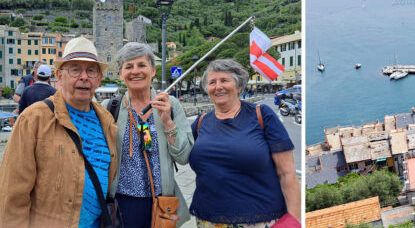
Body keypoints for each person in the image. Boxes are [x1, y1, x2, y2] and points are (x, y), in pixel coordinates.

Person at [0, 37, 118, 228]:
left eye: (91, 70)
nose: (84, 77)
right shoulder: (33, 119)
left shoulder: (107, 121)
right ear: (59, 77)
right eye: (75, 69)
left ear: (99, 78)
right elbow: (12, 195)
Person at [188, 59, 301, 227]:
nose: (218, 86)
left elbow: (287, 174)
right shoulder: (200, 122)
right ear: (207, 89)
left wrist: (293, 221)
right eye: (212, 82)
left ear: (239, 87)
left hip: (259, 220)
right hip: (209, 220)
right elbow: (178, 151)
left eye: (224, 80)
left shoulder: (262, 115)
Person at [109, 43, 192, 228]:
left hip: (162, 203)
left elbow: (184, 156)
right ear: (121, 74)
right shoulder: (110, 108)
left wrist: (168, 122)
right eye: (128, 67)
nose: (135, 71)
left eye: (141, 65)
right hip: (122, 202)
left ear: (153, 70)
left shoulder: (170, 105)